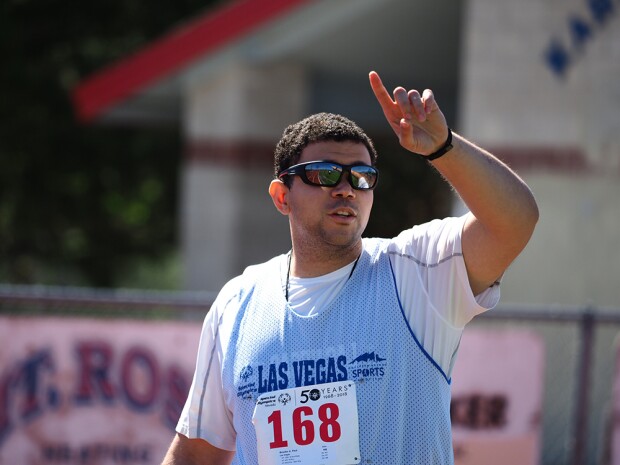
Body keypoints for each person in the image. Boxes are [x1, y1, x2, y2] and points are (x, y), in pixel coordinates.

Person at [161, 71, 539, 465]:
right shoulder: (237, 303)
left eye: (362, 177)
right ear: (281, 196)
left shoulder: (415, 272)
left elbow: (515, 221)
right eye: (324, 174)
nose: (345, 189)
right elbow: (193, 454)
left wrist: (443, 147)